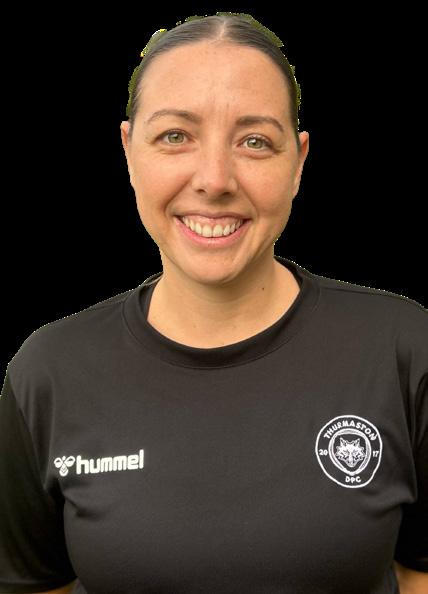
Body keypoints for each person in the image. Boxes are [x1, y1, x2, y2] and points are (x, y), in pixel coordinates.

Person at [0, 11, 427, 594]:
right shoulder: (49, 371)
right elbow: (33, 584)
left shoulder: (403, 349)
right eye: (175, 136)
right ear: (129, 151)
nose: (215, 179)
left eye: (254, 141)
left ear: (298, 163)